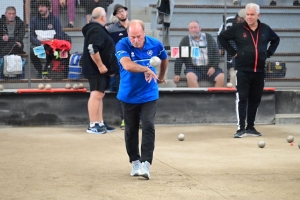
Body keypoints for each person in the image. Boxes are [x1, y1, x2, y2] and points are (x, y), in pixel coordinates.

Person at [115, 20, 168, 179]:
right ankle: (135, 162)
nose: (135, 40)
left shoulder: (155, 44)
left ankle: (146, 164)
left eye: (138, 36)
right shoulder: (122, 45)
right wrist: (145, 68)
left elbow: (164, 59)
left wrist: (161, 77)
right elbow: (127, 65)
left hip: (149, 94)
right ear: (128, 35)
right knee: (130, 130)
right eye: (132, 37)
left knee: (148, 125)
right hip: (128, 95)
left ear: (144, 33)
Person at [218, 3, 280, 138]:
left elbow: (276, 39)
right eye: (247, 14)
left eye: (252, 14)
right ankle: (241, 128)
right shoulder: (238, 28)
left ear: (258, 15)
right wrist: (233, 52)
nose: (249, 17)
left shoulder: (265, 29)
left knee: (255, 99)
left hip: (259, 71)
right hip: (242, 70)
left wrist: (268, 53)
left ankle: (251, 127)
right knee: (242, 98)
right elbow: (221, 37)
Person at [82, 7, 118, 134]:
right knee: (96, 94)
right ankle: (93, 125)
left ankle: (100, 122)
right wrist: (101, 66)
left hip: (100, 70)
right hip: (96, 69)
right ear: (103, 17)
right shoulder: (96, 29)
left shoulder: (98, 28)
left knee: (100, 94)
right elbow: (92, 48)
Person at [173, 20, 224, 87]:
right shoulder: (185, 40)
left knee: (221, 77)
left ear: (200, 28)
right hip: (193, 69)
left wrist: (213, 67)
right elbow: (179, 57)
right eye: (191, 28)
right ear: (188, 30)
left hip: (209, 68)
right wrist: (177, 73)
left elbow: (216, 54)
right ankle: (197, 97)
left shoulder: (208, 37)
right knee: (190, 76)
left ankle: (215, 97)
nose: (193, 30)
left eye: (195, 27)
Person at [107, 4, 129, 130]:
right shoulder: (111, 29)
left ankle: (139, 119)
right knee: (123, 92)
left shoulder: (135, 26)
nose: (122, 13)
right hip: (120, 67)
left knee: (138, 92)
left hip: (137, 66)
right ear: (115, 15)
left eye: (123, 11)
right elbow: (109, 49)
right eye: (119, 12)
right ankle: (124, 120)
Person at [30, 0, 66, 78]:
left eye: (42, 6)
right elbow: (31, 36)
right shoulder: (34, 20)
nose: (40, 9)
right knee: (32, 52)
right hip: (40, 46)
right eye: (39, 7)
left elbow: (59, 35)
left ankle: (46, 70)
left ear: (48, 7)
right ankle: (40, 72)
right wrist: (40, 44)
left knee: (56, 53)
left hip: (52, 47)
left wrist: (51, 44)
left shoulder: (55, 20)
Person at [217, 9, 246, 87]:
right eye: (242, 19)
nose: (243, 21)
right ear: (238, 17)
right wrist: (220, 48)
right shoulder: (229, 21)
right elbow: (220, 35)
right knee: (233, 73)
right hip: (230, 50)